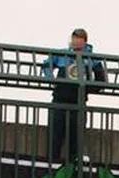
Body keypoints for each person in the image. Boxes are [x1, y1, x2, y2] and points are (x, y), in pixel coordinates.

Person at [41, 28, 108, 163]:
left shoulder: (91, 59)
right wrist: (52, 80)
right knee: (55, 139)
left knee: (76, 140)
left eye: (79, 40)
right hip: (59, 101)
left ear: (85, 42)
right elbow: (46, 65)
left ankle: (73, 169)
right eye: (74, 40)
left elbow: (101, 79)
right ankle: (52, 168)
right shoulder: (61, 54)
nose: (75, 43)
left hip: (79, 103)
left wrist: (88, 88)